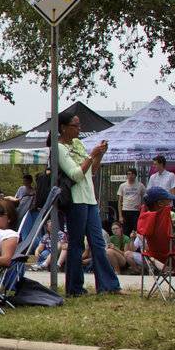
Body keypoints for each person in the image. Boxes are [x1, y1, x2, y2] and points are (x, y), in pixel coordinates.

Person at [56, 110, 121, 297]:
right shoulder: (59, 148)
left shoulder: (77, 143)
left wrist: (99, 155)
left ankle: (108, 285)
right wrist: (91, 155)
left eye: (79, 125)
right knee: (76, 244)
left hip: (89, 198)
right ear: (63, 128)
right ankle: (75, 288)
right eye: (75, 126)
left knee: (98, 243)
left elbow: (91, 171)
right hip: (75, 200)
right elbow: (76, 174)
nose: (79, 129)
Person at [117, 169, 142, 237]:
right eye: (128, 174)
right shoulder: (122, 185)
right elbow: (119, 201)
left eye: (131, 174)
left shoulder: (140, 185)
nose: (130, 176)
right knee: (126, 231)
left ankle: (135, 247)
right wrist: (120, 216)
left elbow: (145, 197)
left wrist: (142, 206)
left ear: (135, 175)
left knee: (135, 231)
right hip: (125, 210)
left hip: (136, 211)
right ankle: (126, 247)